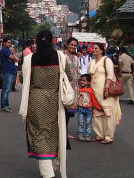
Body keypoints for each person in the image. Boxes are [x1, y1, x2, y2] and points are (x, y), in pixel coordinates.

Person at [19, 30, 75, 178]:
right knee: (55, 133)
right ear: (52, 41)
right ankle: (54, 165)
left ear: (36, 41)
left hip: (35, 101)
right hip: (55, 101)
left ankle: (47, 172)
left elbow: (23, 79)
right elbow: (70, 76)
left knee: (39, 134)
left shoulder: (30, 59)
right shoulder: (60, 57)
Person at [88, 42, 121, 144]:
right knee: (97, 113)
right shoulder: (91, 61)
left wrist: (106, 88)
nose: (94, 50)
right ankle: (100, 134)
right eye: (93, 48)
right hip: (94, 91)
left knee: (107, 113)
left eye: (96, 48)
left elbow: (110, 75)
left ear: (102, 50)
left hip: (105, 91)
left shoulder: (107, 60)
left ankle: (109, 136)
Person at [76, 73, 102, 142]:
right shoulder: (78, 90)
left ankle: (88, 135)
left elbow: (93, 100)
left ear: (88, 82)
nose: (82, 82)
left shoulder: (90, 90)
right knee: (80, 122)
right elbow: (76, 99)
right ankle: (80, 135)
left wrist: (98, 107)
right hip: (81, 108)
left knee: (88, 123)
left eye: (84, 80)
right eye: (81, 80)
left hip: (88, 109)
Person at [63, 38, 79, 139]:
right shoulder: (62, 56)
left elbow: (76, 71)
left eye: (75, 45)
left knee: (69, 111)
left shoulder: (75, 58)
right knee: (63, 110)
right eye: (71, 45)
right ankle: (63, 132)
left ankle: (65, 131)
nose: (73, 47)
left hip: (73, 86)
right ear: (67, 44)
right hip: (65, 85)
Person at [0, 37, 19, 112]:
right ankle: (4, 105)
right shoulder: (4, 50)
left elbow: (16, 59)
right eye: (8, 42)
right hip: (7, 72)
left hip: (11, 71)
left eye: (10, 42)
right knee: (6, 89)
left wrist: (13, 58)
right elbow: (14, 58)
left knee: (8, 89)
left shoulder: (8, 50)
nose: (9, 44)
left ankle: (6, 105)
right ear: (4, 43)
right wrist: (13, 58)